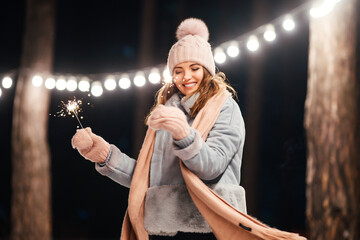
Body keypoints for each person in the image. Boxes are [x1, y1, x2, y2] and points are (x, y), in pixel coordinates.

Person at [71, 18, 247, 240]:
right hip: (164, 228)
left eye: (194, 68)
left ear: (207, 70)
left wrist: (184, 135)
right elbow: (146, 178)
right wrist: (105, 155)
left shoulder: (225, 108)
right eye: (178, 70)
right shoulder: (167, 110)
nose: (186, 77)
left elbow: (212, 167)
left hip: (210, 226)